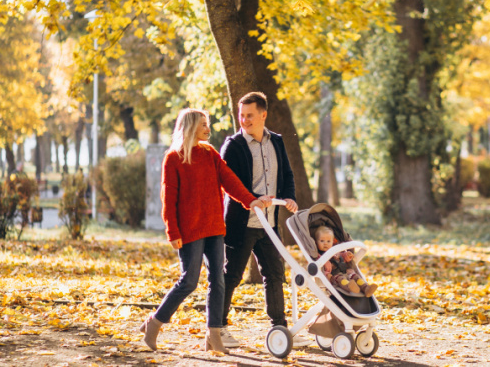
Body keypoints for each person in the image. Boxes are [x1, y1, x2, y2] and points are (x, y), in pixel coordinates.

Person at [139, 108, 271, 353]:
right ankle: (154, 323)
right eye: (203, 125)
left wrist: (249, 200)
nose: (208, 129)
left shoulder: (210, 153)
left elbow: (229, 179)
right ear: (190, 127)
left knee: (218, 281)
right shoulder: (174, 158)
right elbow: (169, 199)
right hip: (189, 231)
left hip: (213, 227)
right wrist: (173, 232)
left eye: (207, 124)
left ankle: (213, 336)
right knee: (189, 281)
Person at [219, 91, 310, 348]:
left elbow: (287, 175)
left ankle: (279, 328)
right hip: (242, 222)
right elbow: (230, 185)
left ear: (263, 115)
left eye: (250, 115)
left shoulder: (277, 142)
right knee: (232, 274)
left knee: (274, 274)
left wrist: (288, 197)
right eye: (241, 115)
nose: (244, 120)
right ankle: (219, 327)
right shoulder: (233, 145)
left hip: (269, 223)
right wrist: (256, 198)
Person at [314, 225, 377, 297]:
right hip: (334, 276)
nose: (325, 243)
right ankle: (350, 287)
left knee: (355, 276)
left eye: (328, 241)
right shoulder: (319, 256)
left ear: (333, 242)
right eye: (322, 241)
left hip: (346, 272)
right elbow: (320, 268)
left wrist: (347, 255)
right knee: (341, 279)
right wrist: (327, 275)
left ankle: (366, 288)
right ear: (316, 242)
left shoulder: (335, 251)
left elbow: (342, 256)